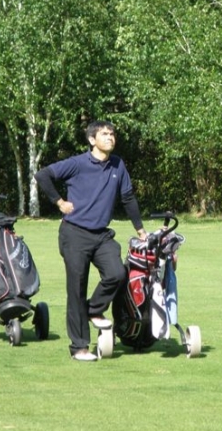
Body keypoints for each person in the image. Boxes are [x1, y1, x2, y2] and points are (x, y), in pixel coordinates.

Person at [35, 121, 147, 362]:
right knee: (76, 289)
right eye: (104, 134)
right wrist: (59, 202)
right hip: (74, 233)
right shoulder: (77, 163)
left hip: (101, 235)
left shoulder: (118, 165)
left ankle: (94, 309)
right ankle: (79, 348)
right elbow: (42, 175)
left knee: (117, 273)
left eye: (112, 134)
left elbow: (127, 197)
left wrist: (140, 229)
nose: (110, 137)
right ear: (92, 140)